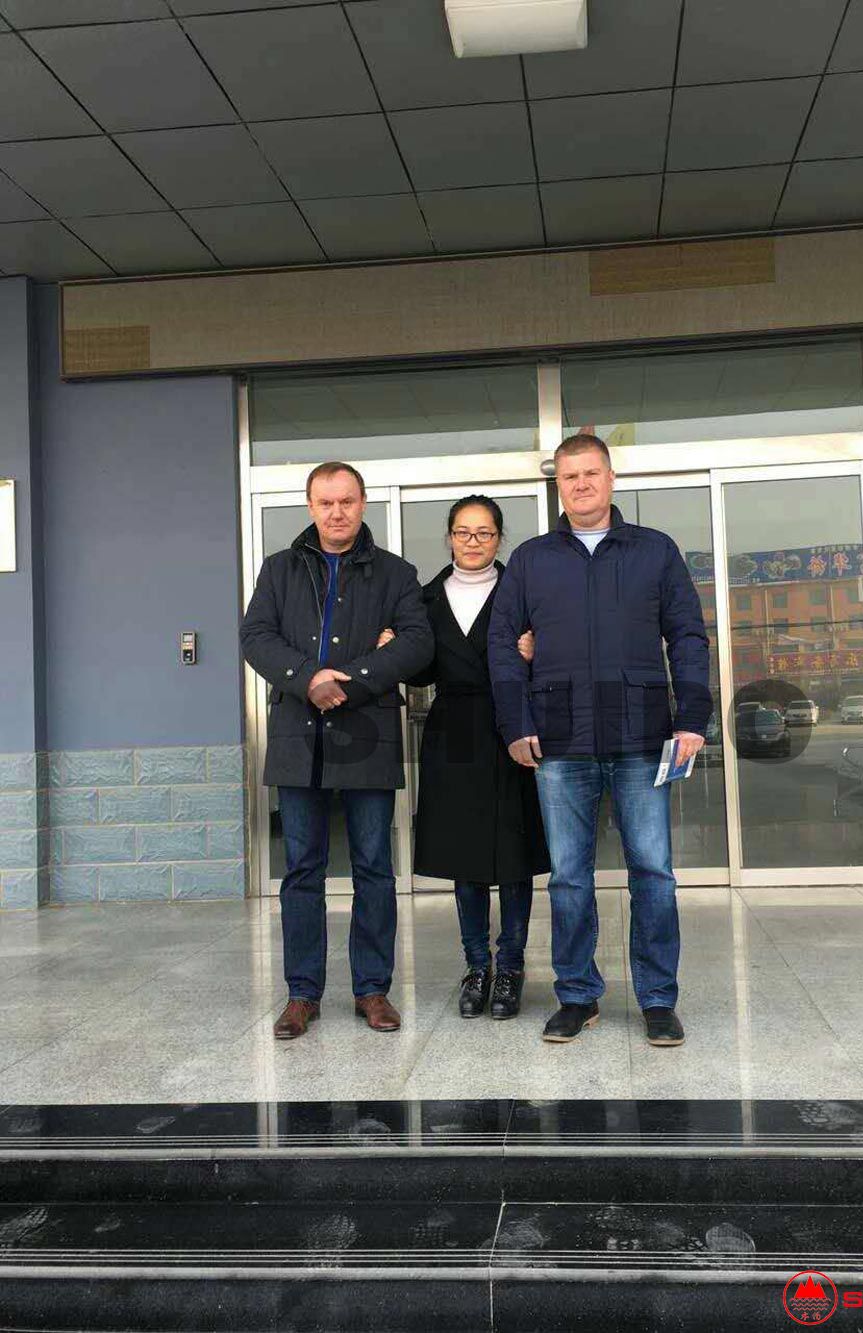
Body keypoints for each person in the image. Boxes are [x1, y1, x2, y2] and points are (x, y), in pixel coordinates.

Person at [488, 433, 712, 1046]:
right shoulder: (532, 559)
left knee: (653, 872)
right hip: (560, 740)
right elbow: (503, 645)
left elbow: (687, 636)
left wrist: (693, 717)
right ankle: (577, 995)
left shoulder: (655, 551)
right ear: (557, 486)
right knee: (568, 876)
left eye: (591, 473)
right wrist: (516, 724)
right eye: (569, 476)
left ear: (611, 478)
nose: (581, 484)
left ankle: (658, 999)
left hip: (642, 736)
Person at [240, 461, 433, 1040]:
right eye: (325, 502)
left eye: (346, 501)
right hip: (299, 738)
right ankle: (302, 994)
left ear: (363, 503)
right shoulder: (279, 570)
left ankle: (372, 989)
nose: (337, 512)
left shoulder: (396, 573)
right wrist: (307, 678)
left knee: (373, 867)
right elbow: (256, 637)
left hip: (367, 736)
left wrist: (352, 679)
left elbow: (418, 643)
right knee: (302, 870)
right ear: (310, 506)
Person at [394, 496, 549, 1020]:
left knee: (515, 853)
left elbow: (557, 650)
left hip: (512, 725)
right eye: (463, 532)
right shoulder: (425, 599)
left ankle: (511, 967)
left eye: (484, 532)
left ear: (499, 538)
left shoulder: (521, 591)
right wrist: (394, 647)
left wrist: (537, 653)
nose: (473, 542)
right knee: (465, 855)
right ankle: (477, 965)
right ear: (449, 538)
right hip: (453, 729)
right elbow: (420, 672)